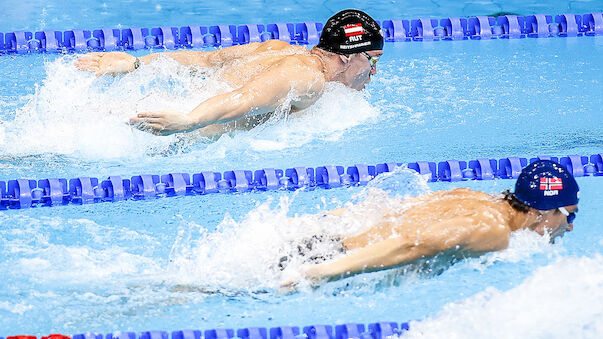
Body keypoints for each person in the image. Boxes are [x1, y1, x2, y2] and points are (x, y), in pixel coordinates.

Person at [74, 9, 384, 136]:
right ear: (347, 56)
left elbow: (206, 61)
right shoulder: (309, 79)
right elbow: (243, 98)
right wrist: (189, 121)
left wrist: (138, 63)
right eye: (372, 59)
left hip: (163, 105)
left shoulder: (277, 48)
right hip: (175, 129)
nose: (373, 71)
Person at [281, 160, 579, 288]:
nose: (570, 227)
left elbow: (383, 209)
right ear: (545, 211)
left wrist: (299, 225)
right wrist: (318, 273)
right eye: (570, 215)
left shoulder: (473, 198)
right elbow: (413, 243)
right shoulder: (492, 229)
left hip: (316, 244)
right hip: (321, 263)